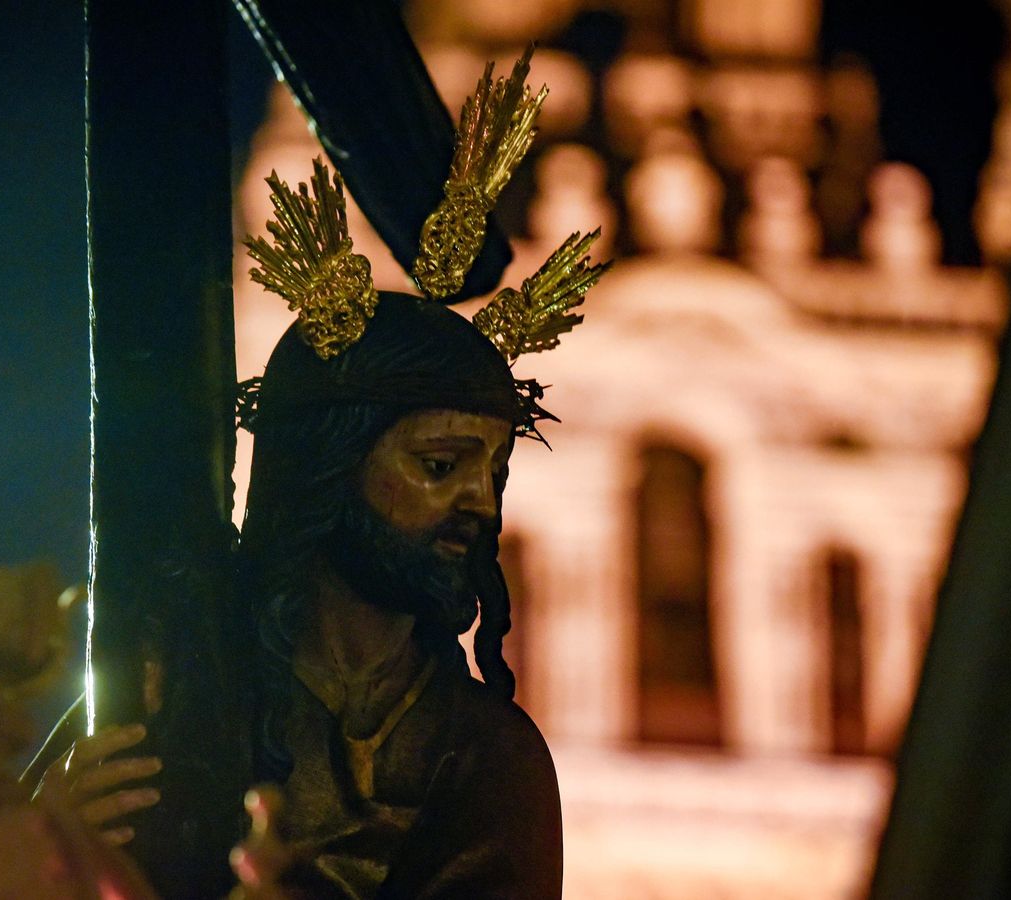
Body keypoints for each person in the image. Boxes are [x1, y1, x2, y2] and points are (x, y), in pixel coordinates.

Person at [30, 51, 610, 898]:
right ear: (328, 467)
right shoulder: (180, 686)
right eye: (440, 464)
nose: (477, 504)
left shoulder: (489, 755)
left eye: (493, 470)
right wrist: (46, 843)